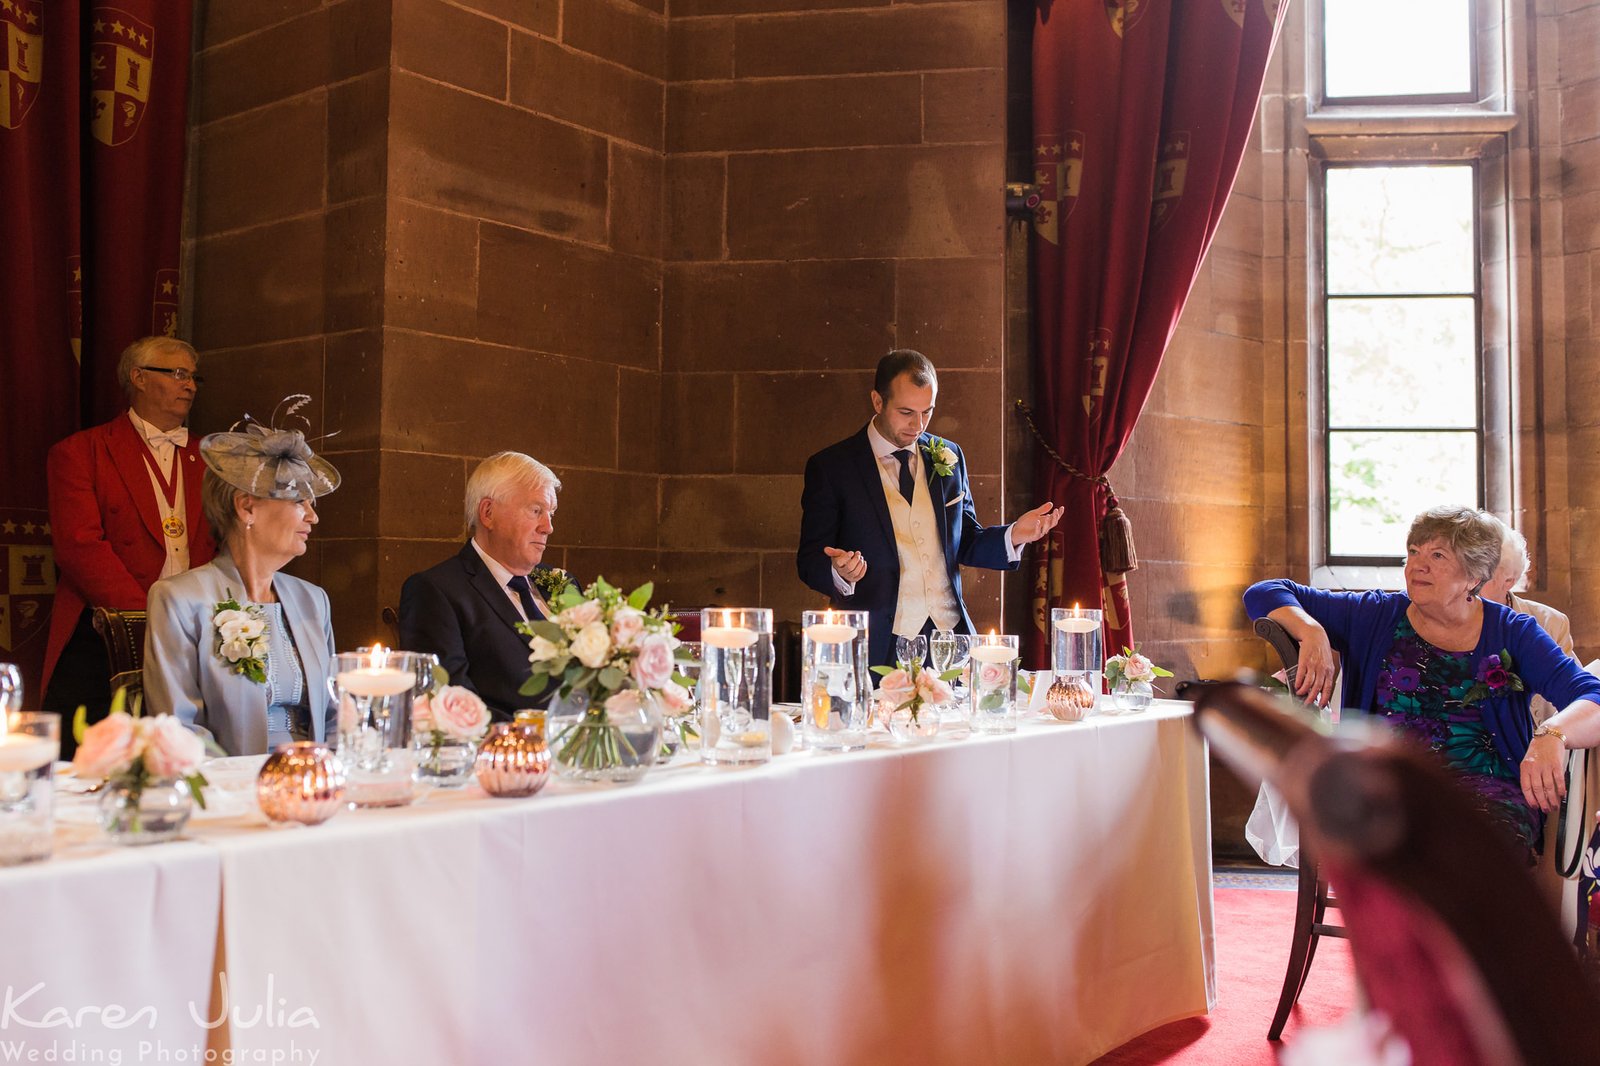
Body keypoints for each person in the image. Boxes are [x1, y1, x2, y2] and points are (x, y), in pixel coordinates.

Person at [1244, 505, 1600, 865]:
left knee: (1477, 847)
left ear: (1474, 574)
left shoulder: (1513, 631)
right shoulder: (1375, 614)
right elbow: (1263, 592)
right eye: (1413, 552)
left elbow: (1592, 696)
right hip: (1386, 787)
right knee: (1396, 838)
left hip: (1487, 792)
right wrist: (1311, 630)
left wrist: (1552, 734)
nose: (1418, 565)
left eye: (1438, 555)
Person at [796, 349, 1063, 668]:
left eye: (927, 411)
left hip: (950, 641)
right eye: (906, 412)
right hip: (877, 644)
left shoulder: (949, 455)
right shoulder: (832, 467)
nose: (918, 425)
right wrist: (839, 571)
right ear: (878, 402)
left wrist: (1015, 535)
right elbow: (810, 559)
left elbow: (965, 541)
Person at [42, 337, 217, 753]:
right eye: (177, 374)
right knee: (93, 758)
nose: (189, 385)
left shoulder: (212, 459)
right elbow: (80, 548)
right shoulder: (80, 452)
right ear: (138, 378)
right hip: (104, 631)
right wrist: (148, 617)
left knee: (183, 755)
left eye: (193, 377)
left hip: (194, 630)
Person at [142, 403, 341, 756]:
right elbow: (179, 729)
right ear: (246, 507)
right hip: (231, 789)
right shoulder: (179, 599)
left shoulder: (313, 600)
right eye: (299, 500)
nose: (313, 516)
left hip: (310, 781)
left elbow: (334, 716)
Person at [399, 452, 568, 720]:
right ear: (488, 513)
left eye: (551, 513)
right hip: (505, 754)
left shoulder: (561, 584)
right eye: (536, 511)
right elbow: (450, 701)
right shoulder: (435, 592)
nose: (548, 527)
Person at [1479, 519, 1575, 725]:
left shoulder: (1550, 622)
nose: (1468, 581)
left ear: (1508, 581)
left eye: (1481, 575)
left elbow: (1577, 702)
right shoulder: (1447, 617)